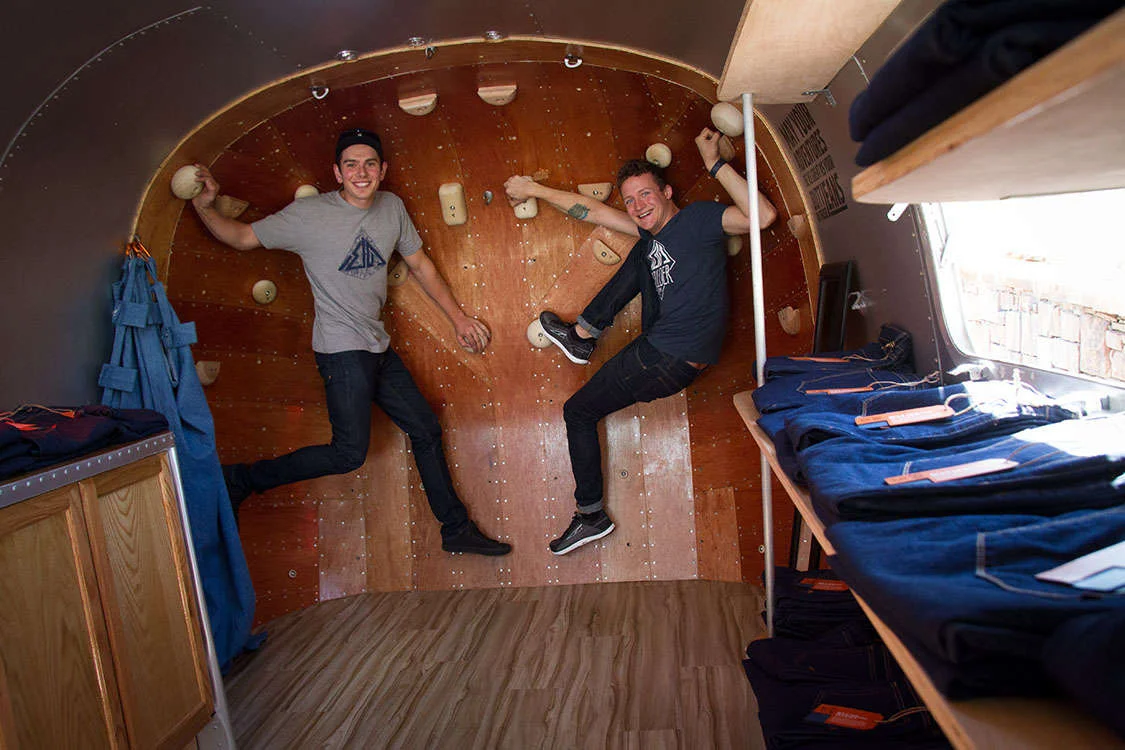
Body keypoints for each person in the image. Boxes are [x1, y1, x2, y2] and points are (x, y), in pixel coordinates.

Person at [189, 128, 510, 556]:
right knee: (348, 454)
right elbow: (242, 237)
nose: (362, 172)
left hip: (377, 347)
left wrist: (459, 319)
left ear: (383, 170)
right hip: (341, 352)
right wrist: (204, 206)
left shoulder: (392, 207)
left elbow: (421, 266)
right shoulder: (308, 215)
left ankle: (455, 530)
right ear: (337, 173)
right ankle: (240, 480)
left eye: (370, 164)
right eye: (352, 165)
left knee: (426, 429)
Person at [504, 128, 777, 555]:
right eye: (630, 200)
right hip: (665, 346)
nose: (637, 205)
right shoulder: (653, 234)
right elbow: (593, 212)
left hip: (667, 357)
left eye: (646, 194)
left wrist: (714, 164)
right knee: (643, 247)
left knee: (577, 412)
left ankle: (590, 514)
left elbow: (762, 217)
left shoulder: (699, 219)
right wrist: (535, 190)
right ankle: (582, 336)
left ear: (667, 192)